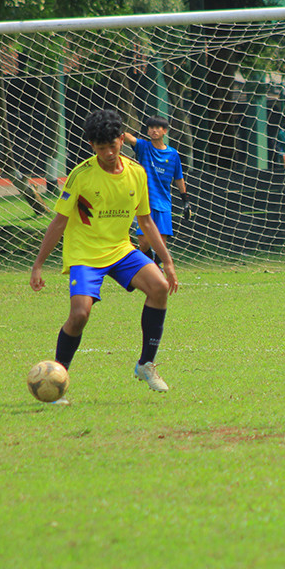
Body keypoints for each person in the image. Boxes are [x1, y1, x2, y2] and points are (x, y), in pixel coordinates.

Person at [29, 109, 179, 396]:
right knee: (80, 315)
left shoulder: (137, 172)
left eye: (113, 145)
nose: (109, 153)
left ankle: (146, 364)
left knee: (159, 287)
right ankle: (57, 377)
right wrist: (38, 264)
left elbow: (146, 221)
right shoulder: (81, 176)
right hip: (85, 254)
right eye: (101, 148)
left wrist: (168, 262)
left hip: (121, 249)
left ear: (122, 139)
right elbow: (59, 222)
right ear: (92, 147)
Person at [124, 116, 191, 264]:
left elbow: (178, 178)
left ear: (164, 131)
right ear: (147, 131)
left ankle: (156, 269)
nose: (154, 131)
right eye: (151, 128)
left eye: (158, 128)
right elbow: (127, 137)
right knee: (143, 242)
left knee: (161, 242)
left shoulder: (173, 154)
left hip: (163, 203)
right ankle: (152, 268)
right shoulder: (144, 147)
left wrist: (185, 199)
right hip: (145, 202)